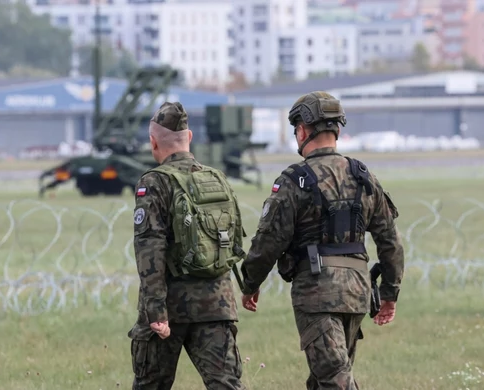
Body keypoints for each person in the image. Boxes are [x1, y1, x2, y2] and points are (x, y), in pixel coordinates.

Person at [239, 91, 405, 389]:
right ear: (337, 130)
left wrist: (251, 284)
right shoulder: (363, 176)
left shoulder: (293, 180)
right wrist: (390, 293)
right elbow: (390, 241)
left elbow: (269, 241)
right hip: (357, 292)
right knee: (325, 378)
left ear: (302, 130)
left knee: (334, 380)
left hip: (317, 294)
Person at [128, 101, 248, 390]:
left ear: (153, 142)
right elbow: (234, 240)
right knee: (227, 385)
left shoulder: (154, 182)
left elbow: (150, 250)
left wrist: (155, 310)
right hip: (217, 303)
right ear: (189, 137)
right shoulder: (216, 178)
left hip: (171, 304)